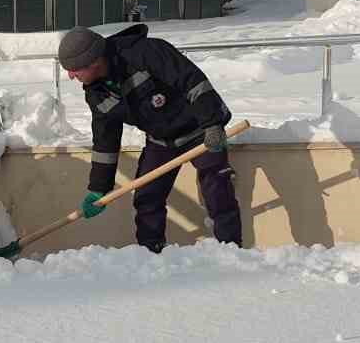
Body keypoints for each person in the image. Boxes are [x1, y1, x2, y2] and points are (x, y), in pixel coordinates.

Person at [56, 25, 241, 252]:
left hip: (200, 130)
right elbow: (105, 141)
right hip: (161, 141)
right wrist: (98, 188)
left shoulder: (146, 53)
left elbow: (193, 82)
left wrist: (213, 124)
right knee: (147, 197)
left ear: (93, 61)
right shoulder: (97, 93)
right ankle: (151, 256)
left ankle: (232, 252)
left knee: (217, 187)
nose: (70, 76)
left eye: (74, 69)